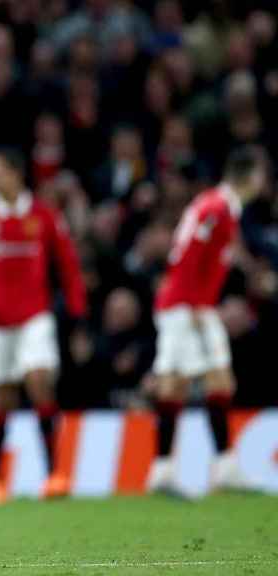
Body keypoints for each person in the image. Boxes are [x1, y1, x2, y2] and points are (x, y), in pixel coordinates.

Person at [0, 149, 87, 506]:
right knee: (2, 398)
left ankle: (55, 474)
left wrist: (76, 311)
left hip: (34, 316)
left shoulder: (44, 215)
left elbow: (68, 266)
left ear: (16, 174)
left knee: (40, 381)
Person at [147, 146, 267, 496]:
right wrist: (196, 307)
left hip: (191, 304)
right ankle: (165, 470)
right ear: (251, 176)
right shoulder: (217, 208)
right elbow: (188, 257)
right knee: (178, 383)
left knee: (217, 380)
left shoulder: (219, 206)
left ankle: (219, 468)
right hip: (186, 306)